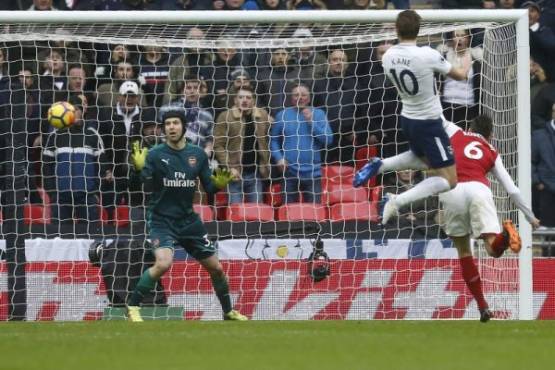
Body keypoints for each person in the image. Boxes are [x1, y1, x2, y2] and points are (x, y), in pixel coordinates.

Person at [126, 109, 247, 322]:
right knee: (163, 263)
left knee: (216, 268)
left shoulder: (197, 154)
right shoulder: (154, 154)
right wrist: (137, 170)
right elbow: (138, 186)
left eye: (175, 123)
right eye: (168, 124)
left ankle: (228, 311)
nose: (171, 127)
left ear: (183, 126)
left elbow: (208, 187)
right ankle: (133, 306)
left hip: (189, 221)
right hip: (161, 220)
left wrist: (219, 185)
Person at [353, 9, 470, 224]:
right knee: (449, 180)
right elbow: (461, 76)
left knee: (426, 163)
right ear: (420, 30)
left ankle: (382, 165)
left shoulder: (388, 57)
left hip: (407, 119)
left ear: (397, 30)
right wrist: (468, 56)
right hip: (430, 123)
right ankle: (397, 200)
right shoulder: (428, 54)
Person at [439, 115, 540, 322]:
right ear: (491, 135)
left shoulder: (456, 132)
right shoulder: (492, 151)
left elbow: (436, 115)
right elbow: (511, 189)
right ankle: (504, 234)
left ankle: (482, 306)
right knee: (493, 249)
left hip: (452, 188)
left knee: (464, 250)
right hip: (479, 190)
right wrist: (530, 217)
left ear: (469, 127)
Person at [270, 83, 333, 203]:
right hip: (289, 172)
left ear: (309, 98)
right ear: (291, 98)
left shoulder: (319, 114)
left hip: (313, 174)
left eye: (304, 95)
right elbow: (274, 140)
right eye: (296, 95)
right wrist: (279, 158)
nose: (300, 98)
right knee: (288, 214)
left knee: (314, 214)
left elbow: (328, 139)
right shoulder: (281, 115)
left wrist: (311, 122)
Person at [213, 86, 272, 204]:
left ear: (253, 101)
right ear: (235, 100)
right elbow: (218, 146)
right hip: (233, 173)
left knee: (257, 214)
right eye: (241, 97)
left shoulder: (263, 115)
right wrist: (229, 168)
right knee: (235, 214)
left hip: (256, 173)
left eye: (248, 97)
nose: (244, 100)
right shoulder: (225, 116)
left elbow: (267, 140)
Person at [532, 105, 555, 227]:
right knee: (547, 231)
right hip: (546, 189)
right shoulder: (539, 135)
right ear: (552, 113)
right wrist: (538, 182)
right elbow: (531, 161)